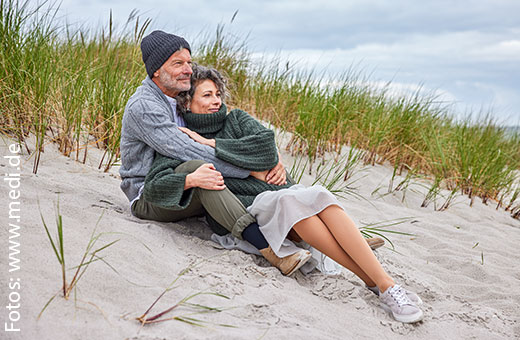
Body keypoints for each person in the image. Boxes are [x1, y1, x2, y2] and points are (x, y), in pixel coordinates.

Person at [143, 64, 424, 323]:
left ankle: (384, 285)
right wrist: (193, 177)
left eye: (218, 93)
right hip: (247, 206)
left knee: (318, 197)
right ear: (187, 101)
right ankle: (383, 284)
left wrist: (211, 143)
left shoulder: (236, 120)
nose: (216, 100)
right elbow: (156, 184)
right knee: (293, 201)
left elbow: (267, 148)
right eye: (207, 95)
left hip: (283, 196)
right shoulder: (181, 136)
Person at [119, 30, 311, 275]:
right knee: (201, 169)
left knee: (228, 170)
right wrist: (251, 169)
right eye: (178, 63)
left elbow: (234, 131)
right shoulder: (145, 107)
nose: (188, 69)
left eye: (189, 62)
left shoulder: (180, 94)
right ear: (156, 69)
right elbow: (186, 150)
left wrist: (273, 159)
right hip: (153, 192)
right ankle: (271, 252)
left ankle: (323, 233)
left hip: (186, 188)